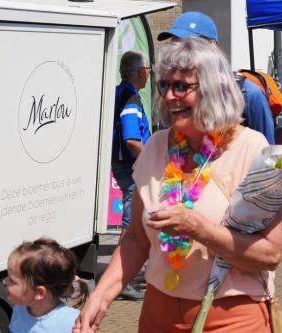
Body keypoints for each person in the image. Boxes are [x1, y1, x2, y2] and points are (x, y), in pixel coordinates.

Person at [73, 38, 282, 333]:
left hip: (230, 318)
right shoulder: (156, 146)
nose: (169, 96)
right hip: (157, 315)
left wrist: (199, 228)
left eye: (182, 86)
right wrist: (101, 296)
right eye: (163, 86)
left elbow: (270, 254)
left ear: (212, 88)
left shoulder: (250, 147)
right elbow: (135, 239)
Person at [157, 11, 275, 144]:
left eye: (187, 45)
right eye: (175, 44)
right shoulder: (169, 96)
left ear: (212, 47)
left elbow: (267, 156)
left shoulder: (249, 94)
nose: (178, 52)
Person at [111, 50, 151, 300]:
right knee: (131, 221)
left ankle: (133, 273)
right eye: (148, 68)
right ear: (140, 72)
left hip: (126, 165)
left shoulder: (120, 92)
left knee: (137, 219)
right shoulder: (130, 98)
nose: (149, 73)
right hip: (131, 166)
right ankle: (123, 279)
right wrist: (153, 161)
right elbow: (132, 139)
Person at [3, 238, 88, 333]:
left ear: (39, 293)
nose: (4, 281)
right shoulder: (19, 309)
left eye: (11, 280)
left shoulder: (73, 323)